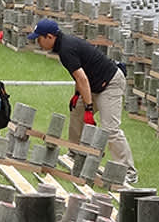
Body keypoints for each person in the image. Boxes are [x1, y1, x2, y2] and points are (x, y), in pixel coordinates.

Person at [28, 18, 137, 184]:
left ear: (49, 37)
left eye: (39, 38)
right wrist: (77, 96)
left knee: (110, 129)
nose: (37, 42)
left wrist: (89, 108)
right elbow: (80, 77)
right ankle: (75, 152)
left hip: (110, 84)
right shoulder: (63, 46)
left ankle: (128, 171)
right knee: (76, 112)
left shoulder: (66, 49)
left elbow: (83, 79)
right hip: (93, 84)